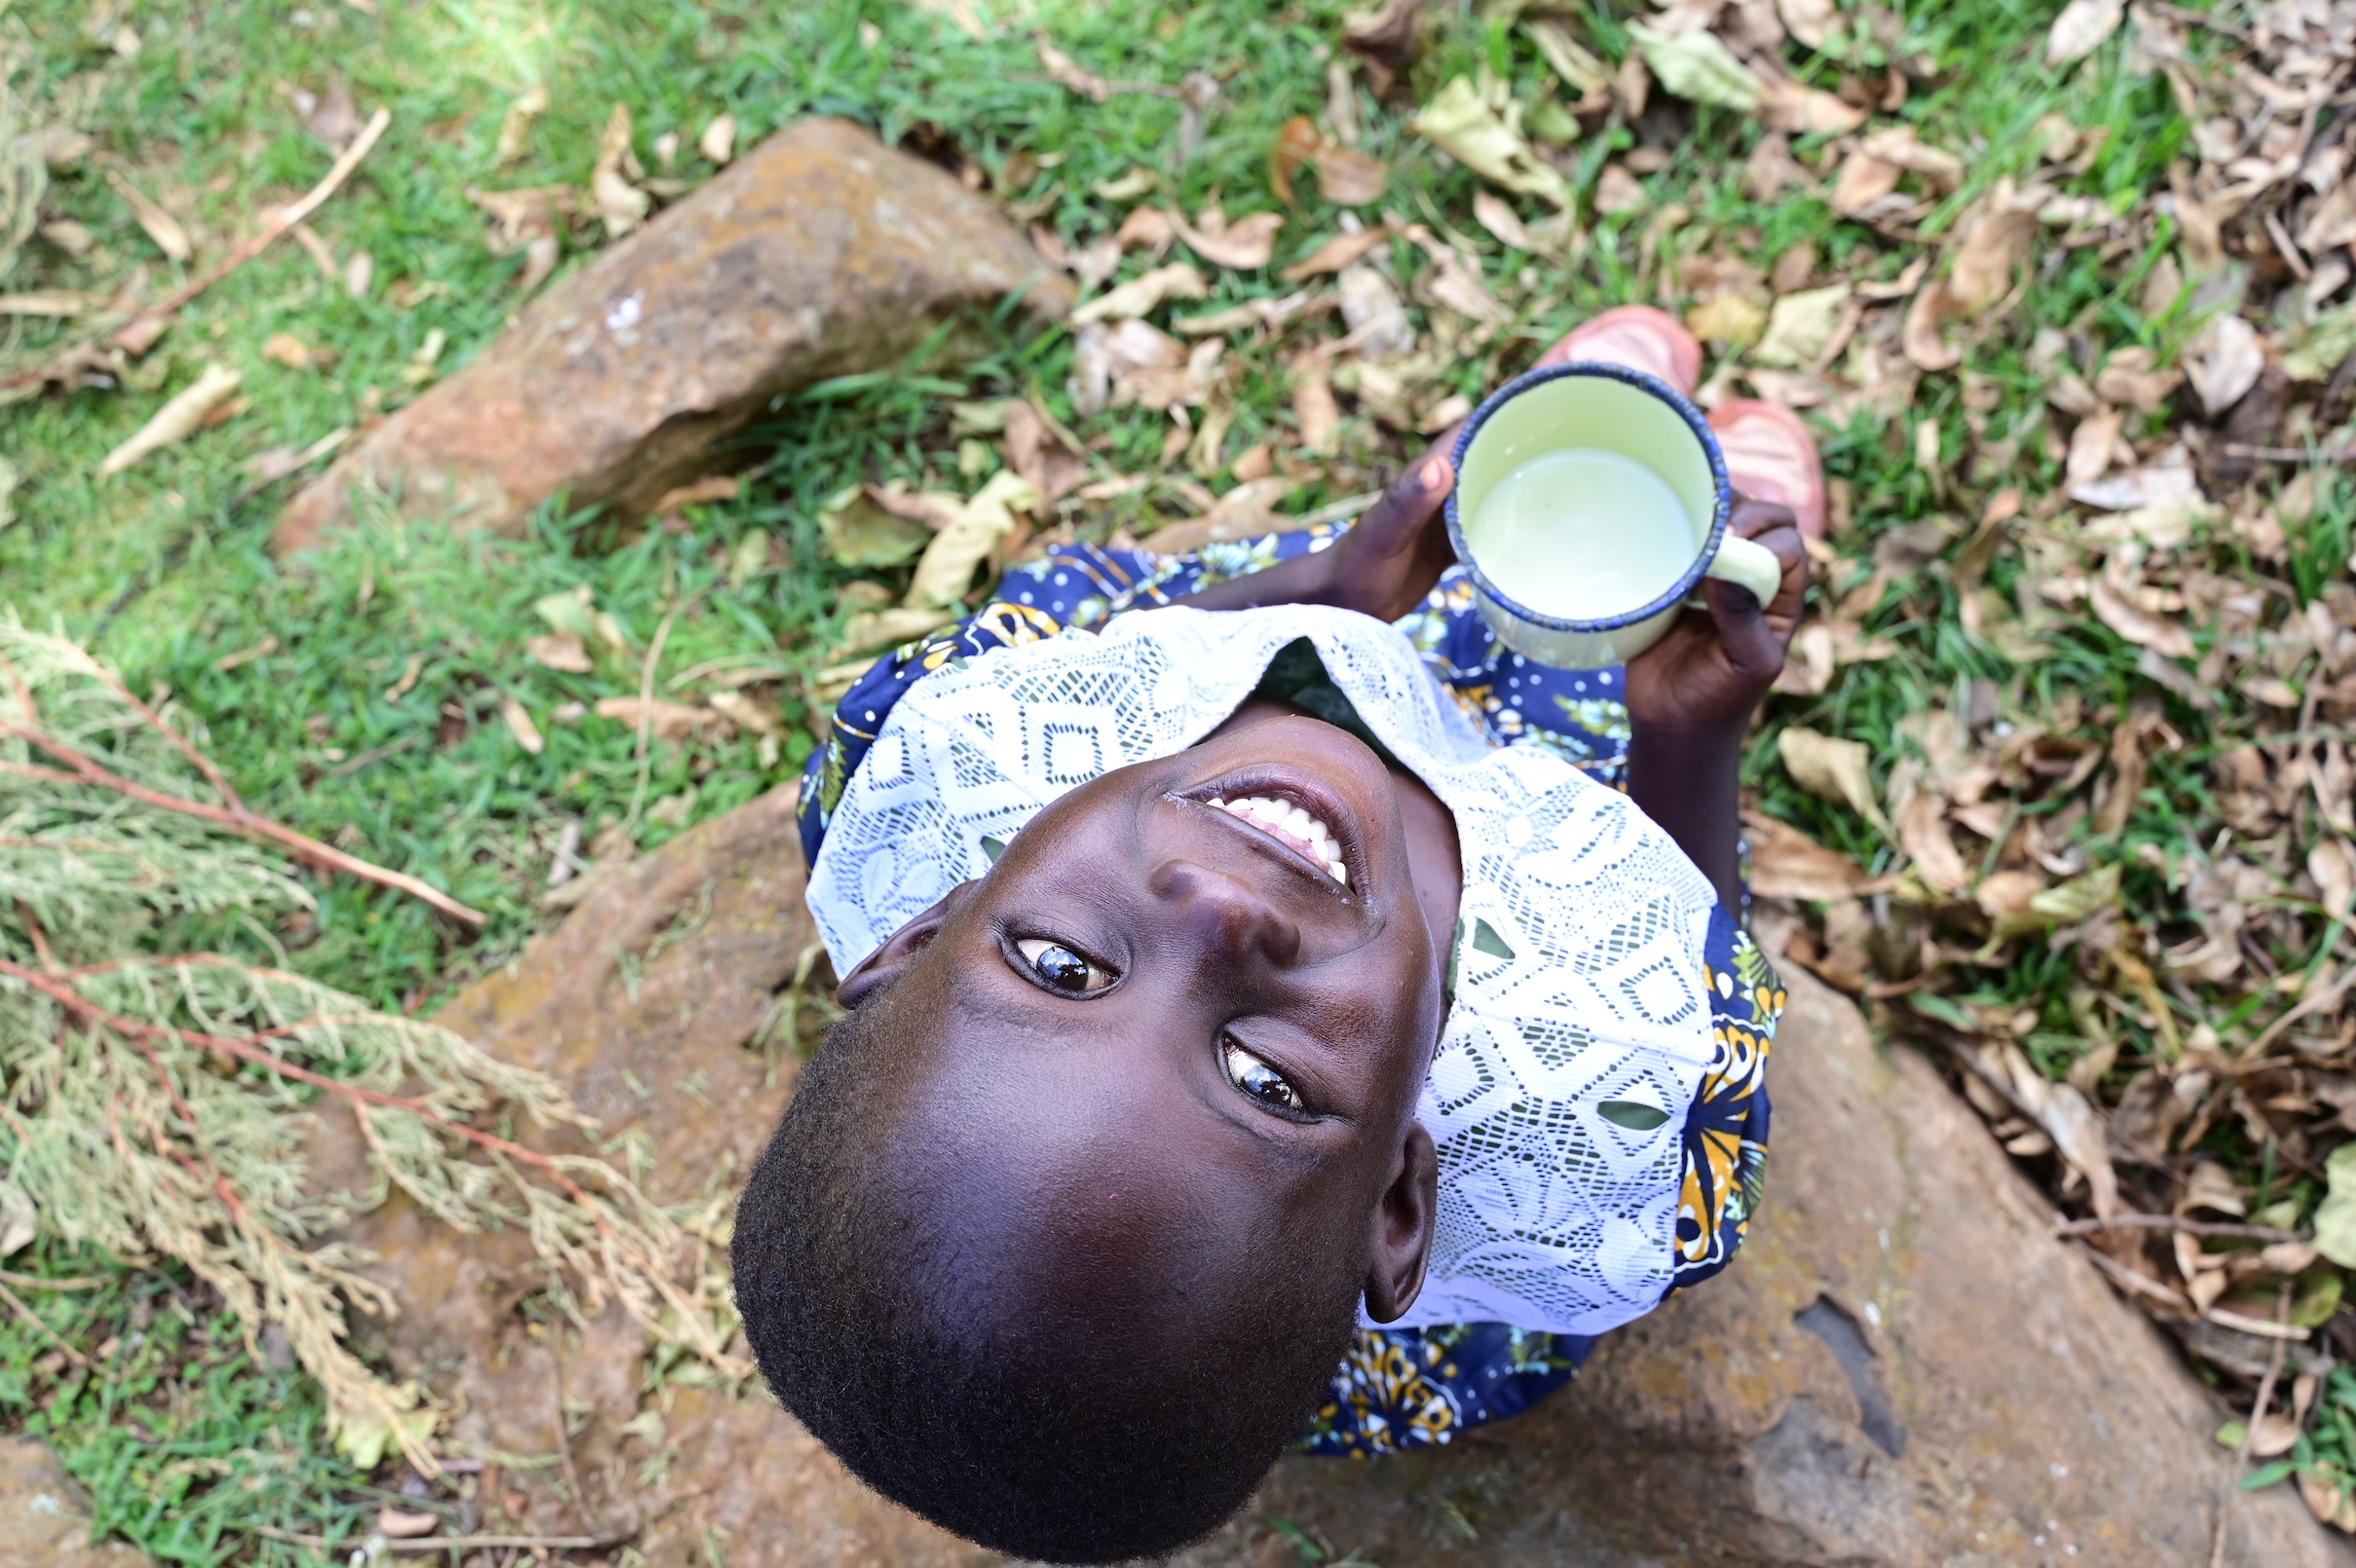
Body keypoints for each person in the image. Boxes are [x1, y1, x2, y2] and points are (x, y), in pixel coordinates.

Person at [731, 307, 1819, 1563]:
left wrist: (1314, 593)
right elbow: (1691, 998)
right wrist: (1689, 730)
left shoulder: (953, 765)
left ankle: (1579, 447)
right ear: (1402, 1207)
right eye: (1269, 1081)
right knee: (1636, 588)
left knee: (1513, 512)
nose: (1224, 913)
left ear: (915, 939)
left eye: (1062, 966)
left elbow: (1113, 622)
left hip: (1292, 652)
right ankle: (1636, 503)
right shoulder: (1575, 1119)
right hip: (1553, 747)